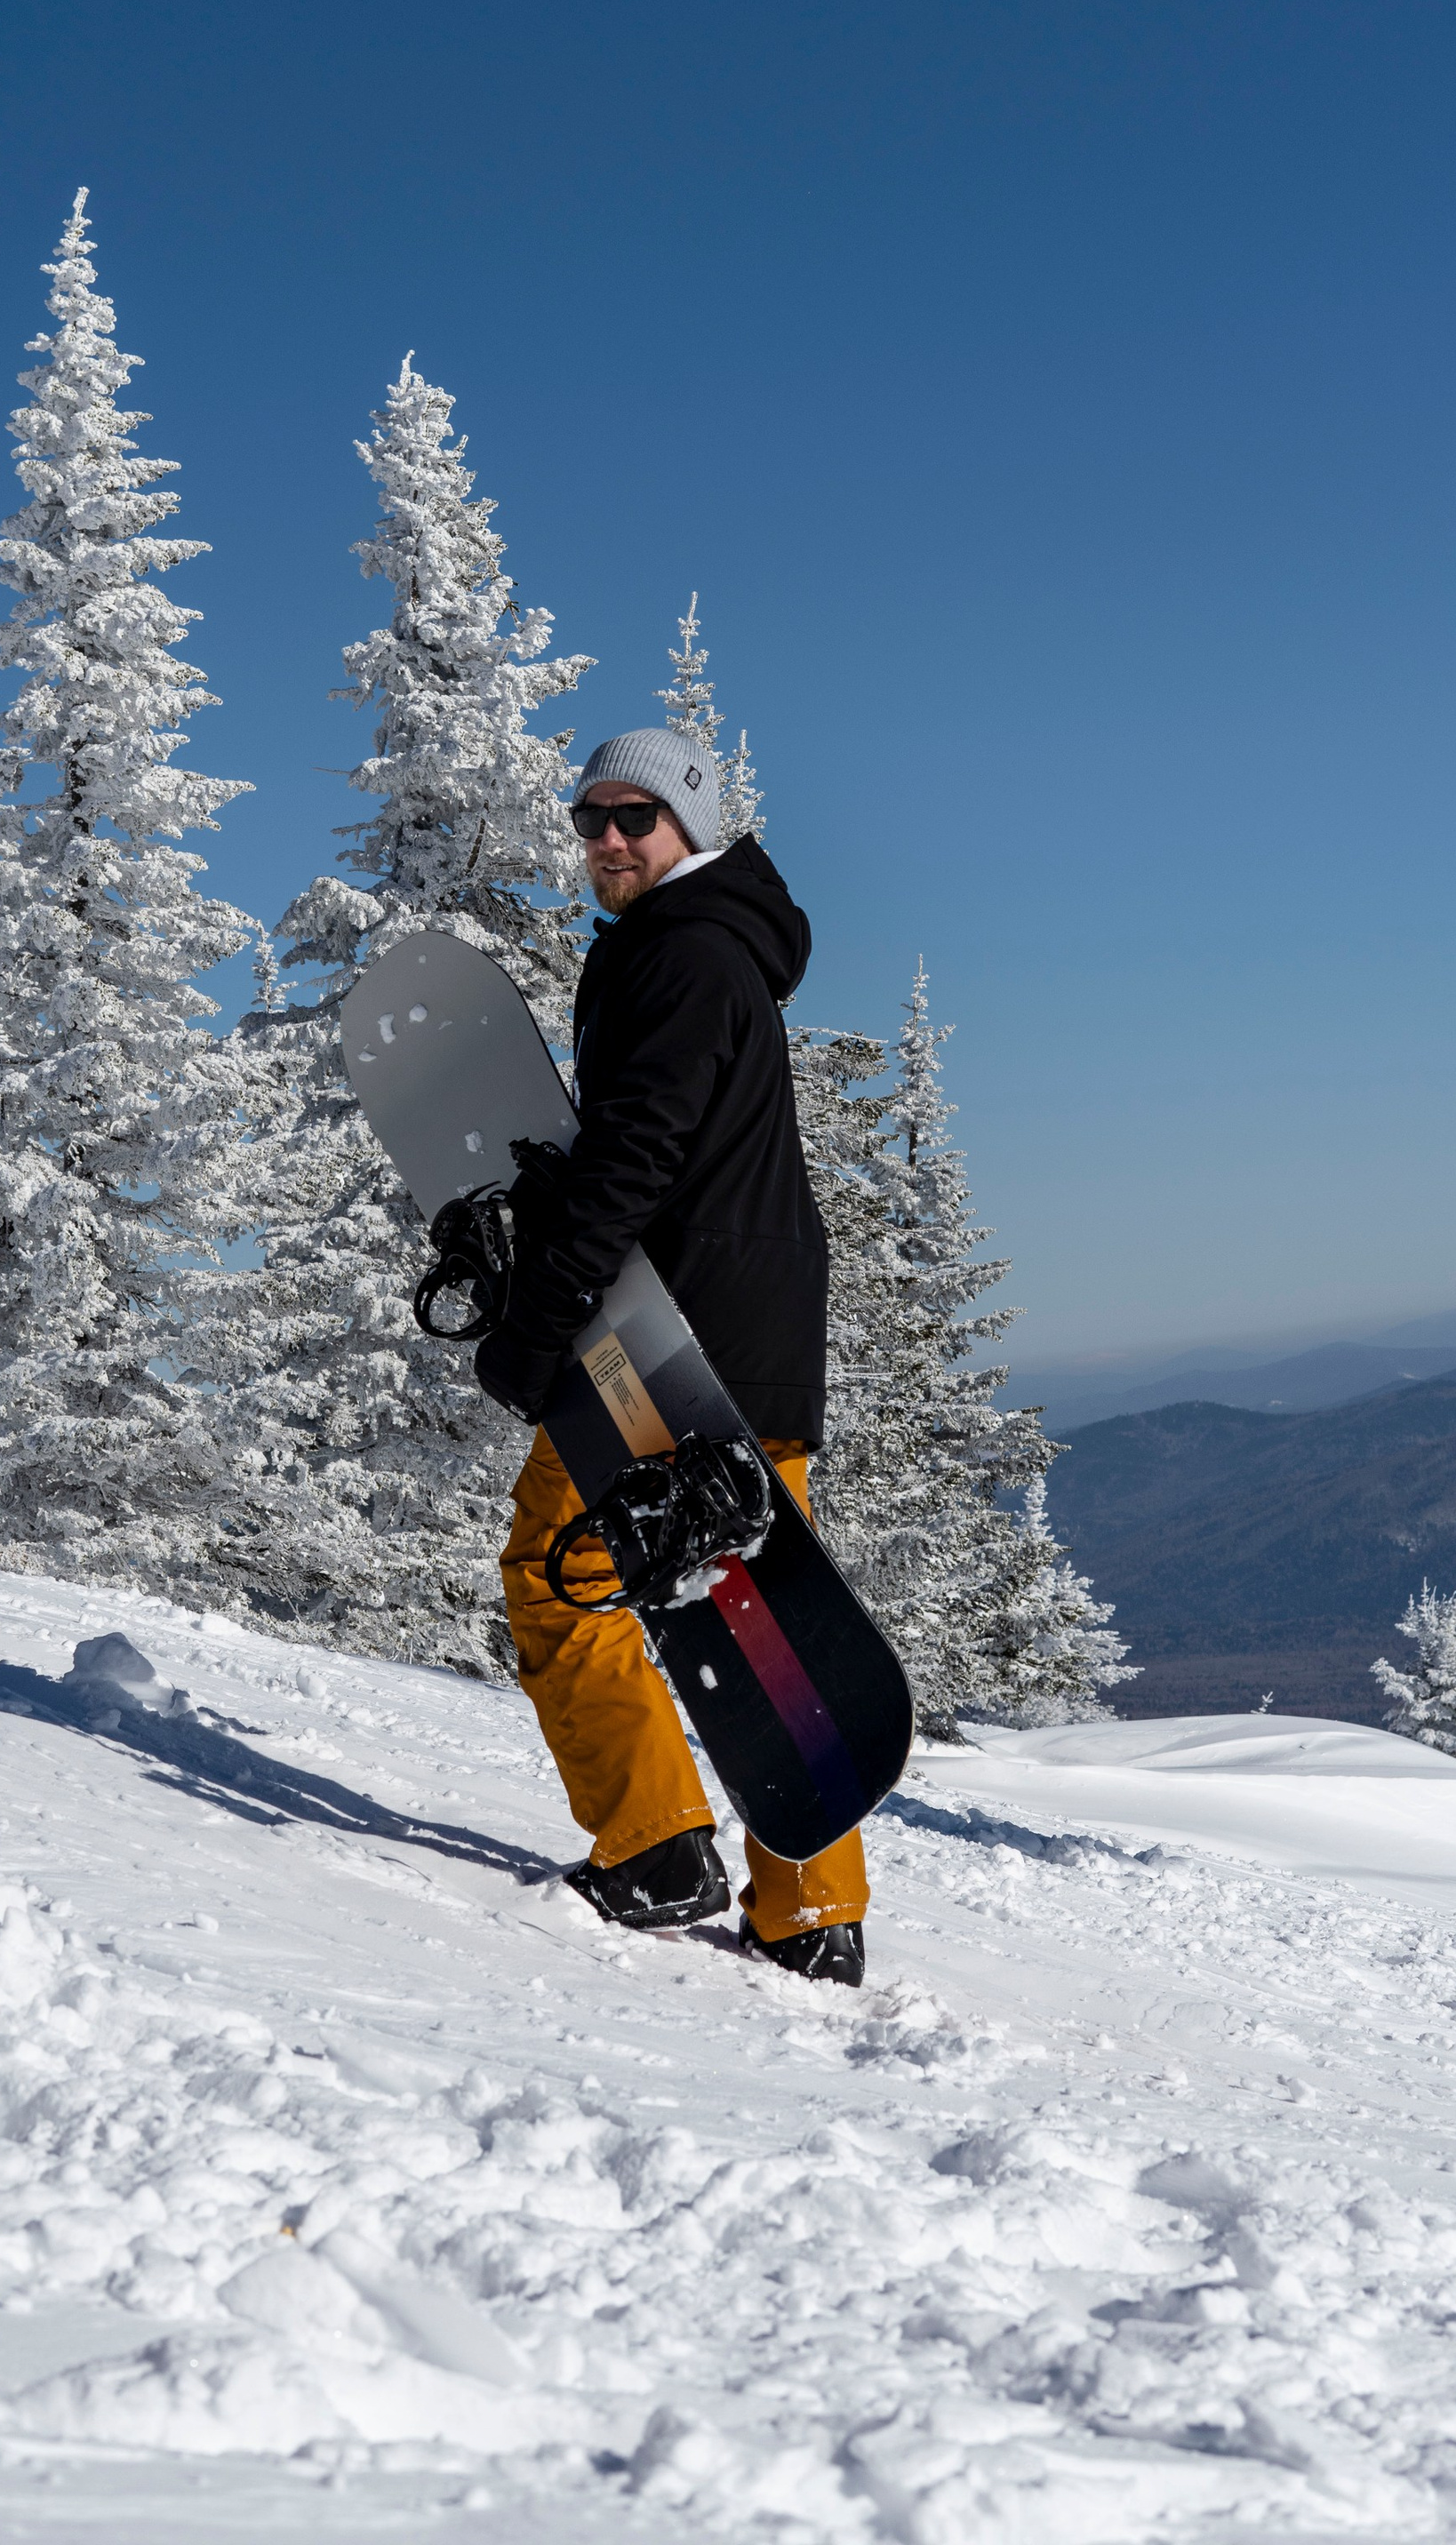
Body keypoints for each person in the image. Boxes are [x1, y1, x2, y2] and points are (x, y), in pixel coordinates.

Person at [475, 726, 868, 1986]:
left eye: (633, 819)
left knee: (554, 1571)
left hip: (673, 1339)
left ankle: (654, 1847)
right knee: (768, 1619)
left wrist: (542, 1321)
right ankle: (811, 1914)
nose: (605, 841)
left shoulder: (685, 958)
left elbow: (637, 1156)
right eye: (589, 819)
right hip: (741, 1330)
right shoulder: (708, 950)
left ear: (689, 825)